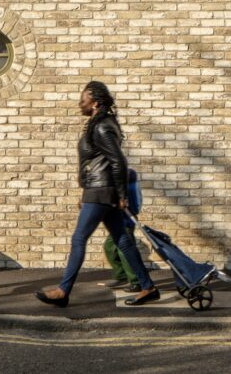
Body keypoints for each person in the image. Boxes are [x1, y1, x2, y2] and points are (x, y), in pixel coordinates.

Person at [35, 81, 159, 307]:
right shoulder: (98, 124)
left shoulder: (102, 127)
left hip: (102, 191)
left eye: (83, 99)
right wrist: (86, 190)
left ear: (95, 103)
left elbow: (118, 161)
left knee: (79, 239)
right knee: (123, 240)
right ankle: (147, 286)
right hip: (98, 190)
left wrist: (121, 194)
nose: (79, 103)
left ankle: (63, 290)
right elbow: (97, 162)